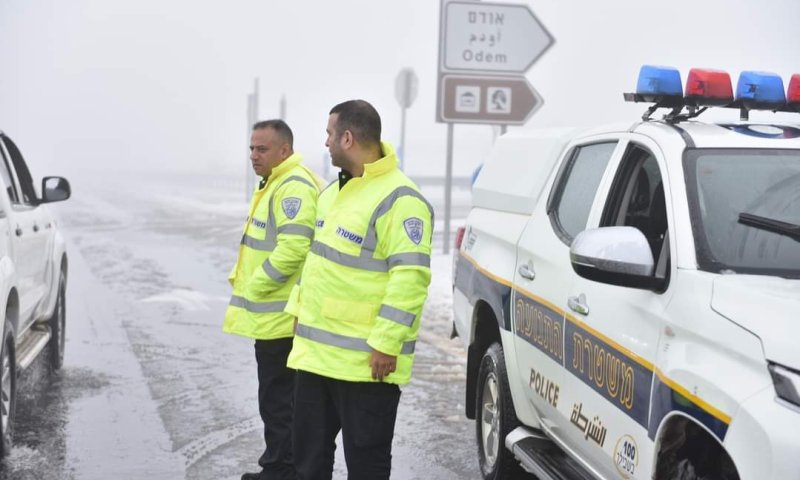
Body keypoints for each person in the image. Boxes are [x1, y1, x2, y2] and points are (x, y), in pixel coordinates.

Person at [284, 100, 433, 479]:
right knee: (307, 462)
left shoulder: (402, 200)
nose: (326, 142)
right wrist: (298, 314)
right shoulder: (332, 193)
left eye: (330, 134)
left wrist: (386, 343)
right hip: (315, 360)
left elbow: (410, 279)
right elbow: (318, 264)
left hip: (367, 367)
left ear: (347, 138)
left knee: (366, 466)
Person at [223, 119, 320, 480]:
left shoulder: (292, 187)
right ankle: (278, 466)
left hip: (283, 318)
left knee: (281, 403)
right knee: (277, 400)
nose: (253, 155)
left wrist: (255, 286)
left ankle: (281, 470)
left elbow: (294, 248)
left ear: (285, 150)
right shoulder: (275, 183)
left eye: (262, 149)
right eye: (251, 148)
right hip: (275, 319)